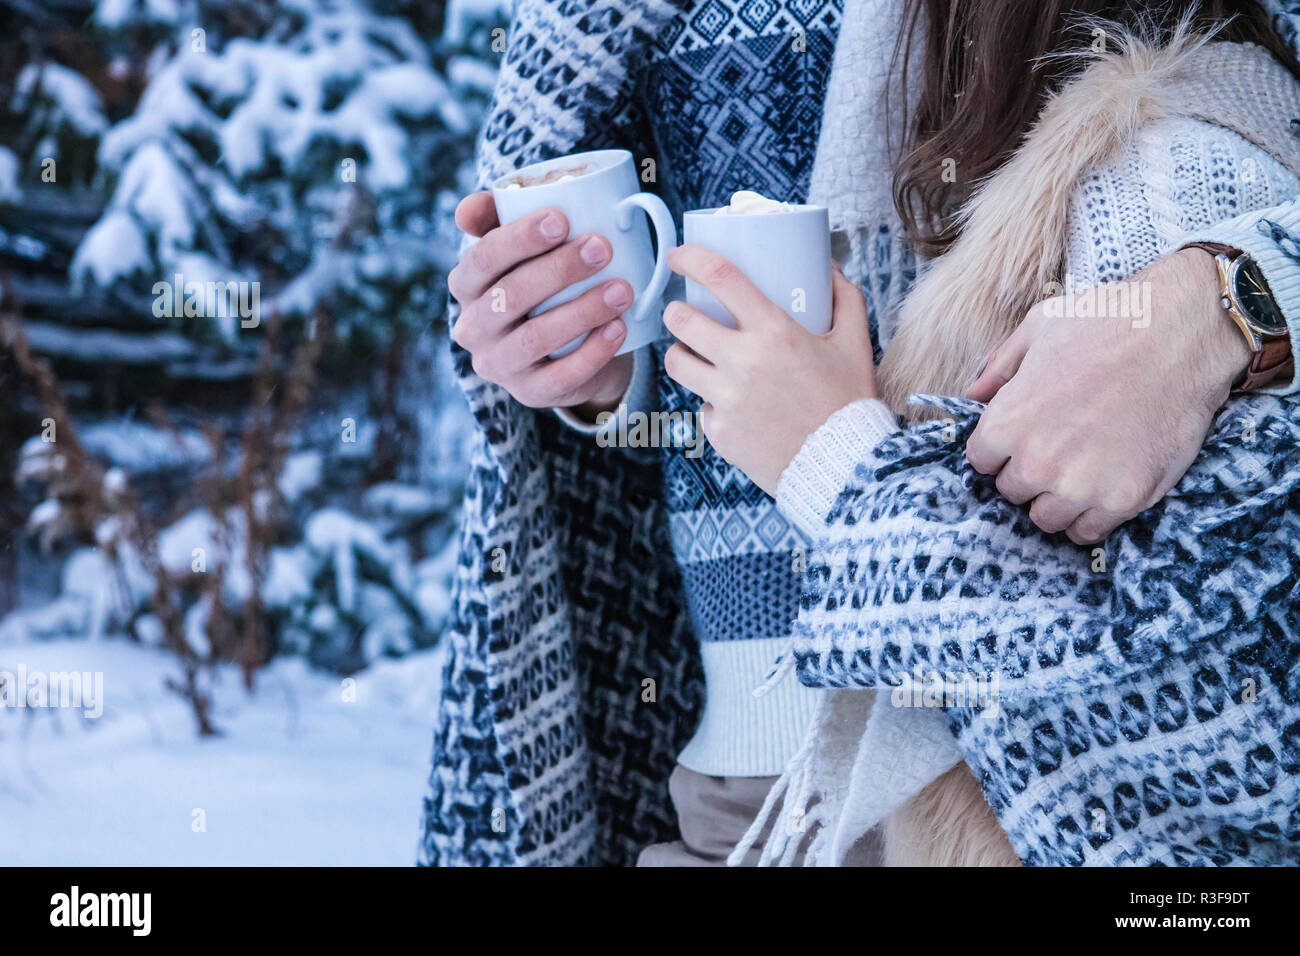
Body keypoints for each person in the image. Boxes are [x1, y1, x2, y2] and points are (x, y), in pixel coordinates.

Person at [418, 0, 1300, 867]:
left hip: (994, 790)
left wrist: (1236, 301)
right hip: (736, 771)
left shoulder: (1177, 131)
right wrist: (608, 365)